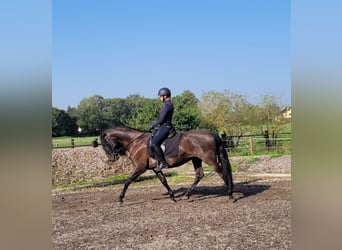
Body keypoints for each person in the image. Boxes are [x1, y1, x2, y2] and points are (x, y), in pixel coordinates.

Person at [148, 87, 174, 171]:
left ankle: (163, 162)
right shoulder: (168, 104)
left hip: (165, 126)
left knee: (154, 143)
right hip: (164, 126)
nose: (159, 98)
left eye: (160, 96)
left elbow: (161, 119)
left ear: (164, 96)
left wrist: (152, 125)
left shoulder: (167, 105)